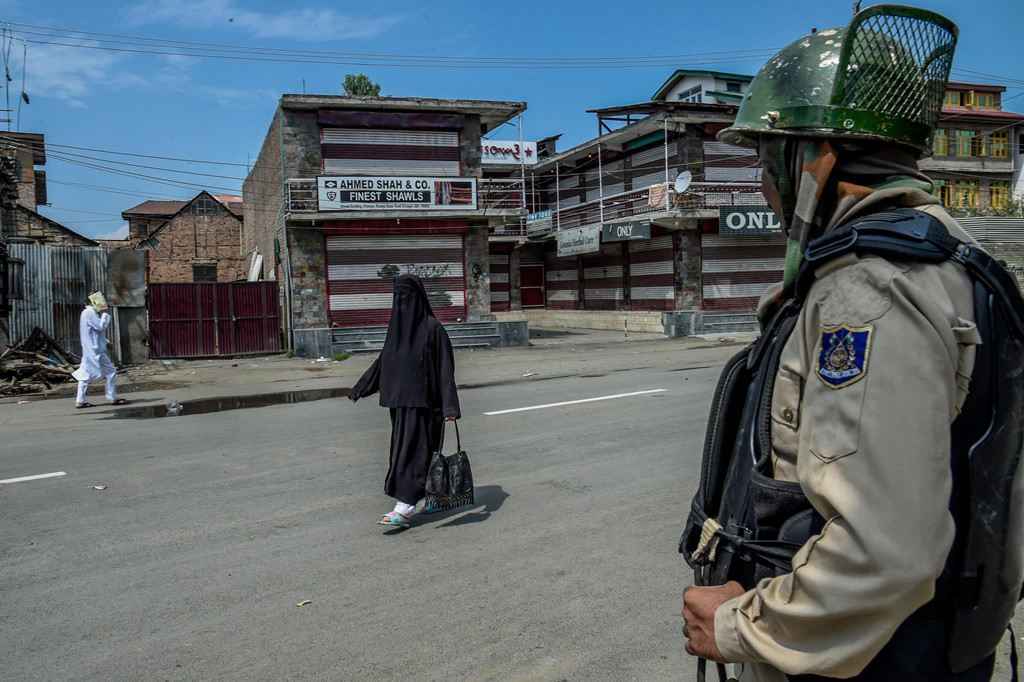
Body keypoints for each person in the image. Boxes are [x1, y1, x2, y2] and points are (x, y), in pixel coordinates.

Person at [680, 5, 1019, 681]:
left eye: (766, 159)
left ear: (813, 158)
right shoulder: (961, 261)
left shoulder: (866, 291)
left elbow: (883, 554)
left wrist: (737, 626)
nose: (765, 187)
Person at [349, 274, 460, 528]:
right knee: (412, 451)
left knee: (414, 452)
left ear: (417, 297)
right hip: (399, 401)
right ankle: (432, 495)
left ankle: (405, 506)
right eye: (397, 295)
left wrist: (450, 406)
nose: (401, 301)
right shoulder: (395, 332)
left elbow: (445, 369)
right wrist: (360, 389)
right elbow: (383, 363)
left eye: (406, 295)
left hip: (426, 404)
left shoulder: (433, 329)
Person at [72, 291, 127, 409]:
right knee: (110, 370)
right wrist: (105, 314)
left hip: (92, 349)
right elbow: (100, 327)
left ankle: (80, 401)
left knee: (85, 374)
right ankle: (112, 397)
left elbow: (94, 332)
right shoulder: (89, 312)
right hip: (94, 350)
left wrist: (106, 342)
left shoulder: (87, 313)